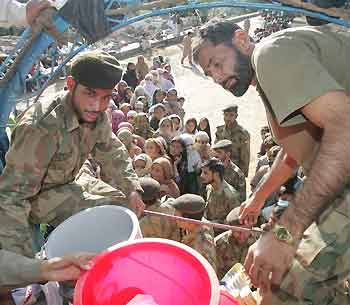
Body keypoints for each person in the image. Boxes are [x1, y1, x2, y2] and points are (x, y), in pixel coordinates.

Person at [193, 19, 350, 304]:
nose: (215, 77)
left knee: (279, 285)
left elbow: (345, 129)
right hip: (336, 182)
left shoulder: (270, 55)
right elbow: (295, 149)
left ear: (241, 39)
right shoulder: (271, 72)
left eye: (217, 63)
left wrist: (287, 232)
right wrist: (257, 199)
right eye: (209, 72)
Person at [0, 51, 145, 289]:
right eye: (90, 94)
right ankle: (82, 281)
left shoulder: (95, 112)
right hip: (37, 196)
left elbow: (110, 149)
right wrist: (24, 270)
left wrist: (131, 188)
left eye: (106, 97)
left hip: (73, 179)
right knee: (100, 221)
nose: (97, 105)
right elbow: (12, 197)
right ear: (70, 85)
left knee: (124, 207)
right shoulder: (40, 129)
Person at [170, 194, 217, 272]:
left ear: (189, 221)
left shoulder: (202, 245)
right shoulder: (199, 224)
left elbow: (209, 272)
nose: (174, 218)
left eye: (177, 217)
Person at [215, 207, 256, 279]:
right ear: (231, 229)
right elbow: (216, 271)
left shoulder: (259, 239)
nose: (242, 235)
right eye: (237, 232)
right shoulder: (220, 244)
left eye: (245, 230)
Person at [201, 158, 240, 226]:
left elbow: (235, 221)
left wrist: (212, 224)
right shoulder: (209, 188)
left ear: (216, 175)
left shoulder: (230, 196)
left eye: (205, 173)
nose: (201, 175)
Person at [214, 104, 250, 177]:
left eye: (231, 115)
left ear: (236, 116)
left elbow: (245, 156)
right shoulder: (219, 131)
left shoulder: (242, 133)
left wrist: (242, 174)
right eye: (226, 115)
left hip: (234, 170)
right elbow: (215, 151)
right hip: (220, 168)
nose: (228, 118)